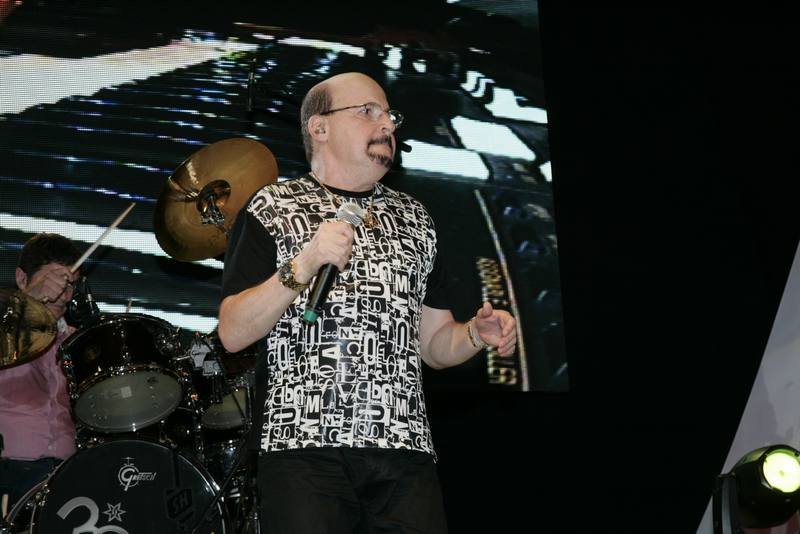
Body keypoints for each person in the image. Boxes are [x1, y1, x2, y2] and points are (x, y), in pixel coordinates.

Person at [218, 72, 517, 533]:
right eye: (367, 112)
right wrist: (304, 264)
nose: (387, 126)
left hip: (404, 452)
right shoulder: (273, 205)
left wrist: (476, 334)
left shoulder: (415, 218)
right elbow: (233, 332)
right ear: (319, 128)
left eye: (390, 116)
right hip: (303, 449)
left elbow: (434, 344)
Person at [0, 233, 80, 511]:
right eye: (53, 279)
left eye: (70, 282)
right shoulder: (4, 322)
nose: (64, 292)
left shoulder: (79, 341)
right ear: (22, 279)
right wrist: (31, 302)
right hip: (9, 469)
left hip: (67, 474)